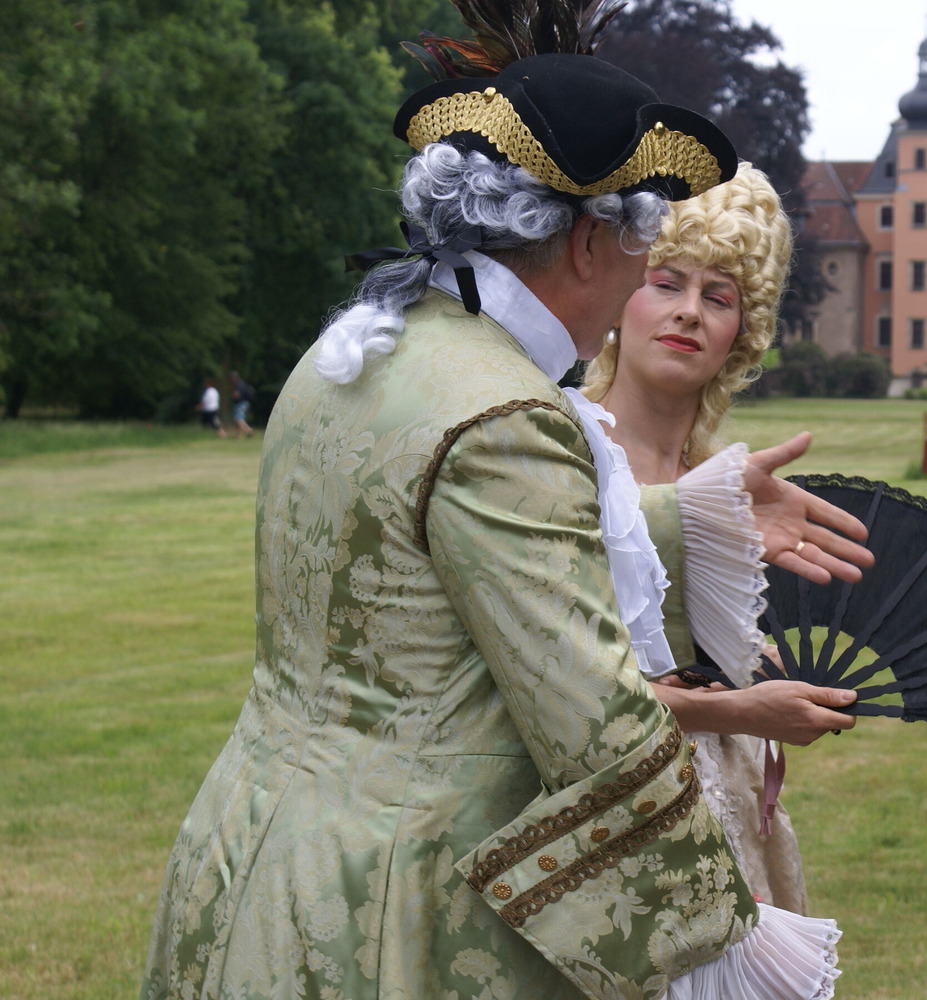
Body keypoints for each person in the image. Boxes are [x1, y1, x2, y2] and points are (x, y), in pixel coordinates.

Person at [140, 11, 870, 999]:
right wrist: (726, 944)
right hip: (400, 912)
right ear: (588, 243)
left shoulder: (353, 349)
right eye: (643, 251)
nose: (637, 282)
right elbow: (597, 726)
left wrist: (693, 518)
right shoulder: (507, 414)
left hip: (255, 863)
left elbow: (411, 563)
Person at [582, 165, 856, 915]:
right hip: (601, 822)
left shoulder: (725, 485)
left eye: (719, 296)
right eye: (665, 282)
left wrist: (751, 667)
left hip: (725, 807)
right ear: (621, 294)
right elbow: (565, 682)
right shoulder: (559, 448)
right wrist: (741, 708)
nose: (689, 312)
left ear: (744, 331)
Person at [227, 370, 254, 438]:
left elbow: (236, 395)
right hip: (243, 403)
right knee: (239, 419)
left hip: (241, 403)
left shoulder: (238, 385)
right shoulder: (242, 383)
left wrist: (232, 394)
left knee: (238, 419)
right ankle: (238, 436)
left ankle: (249, 430)